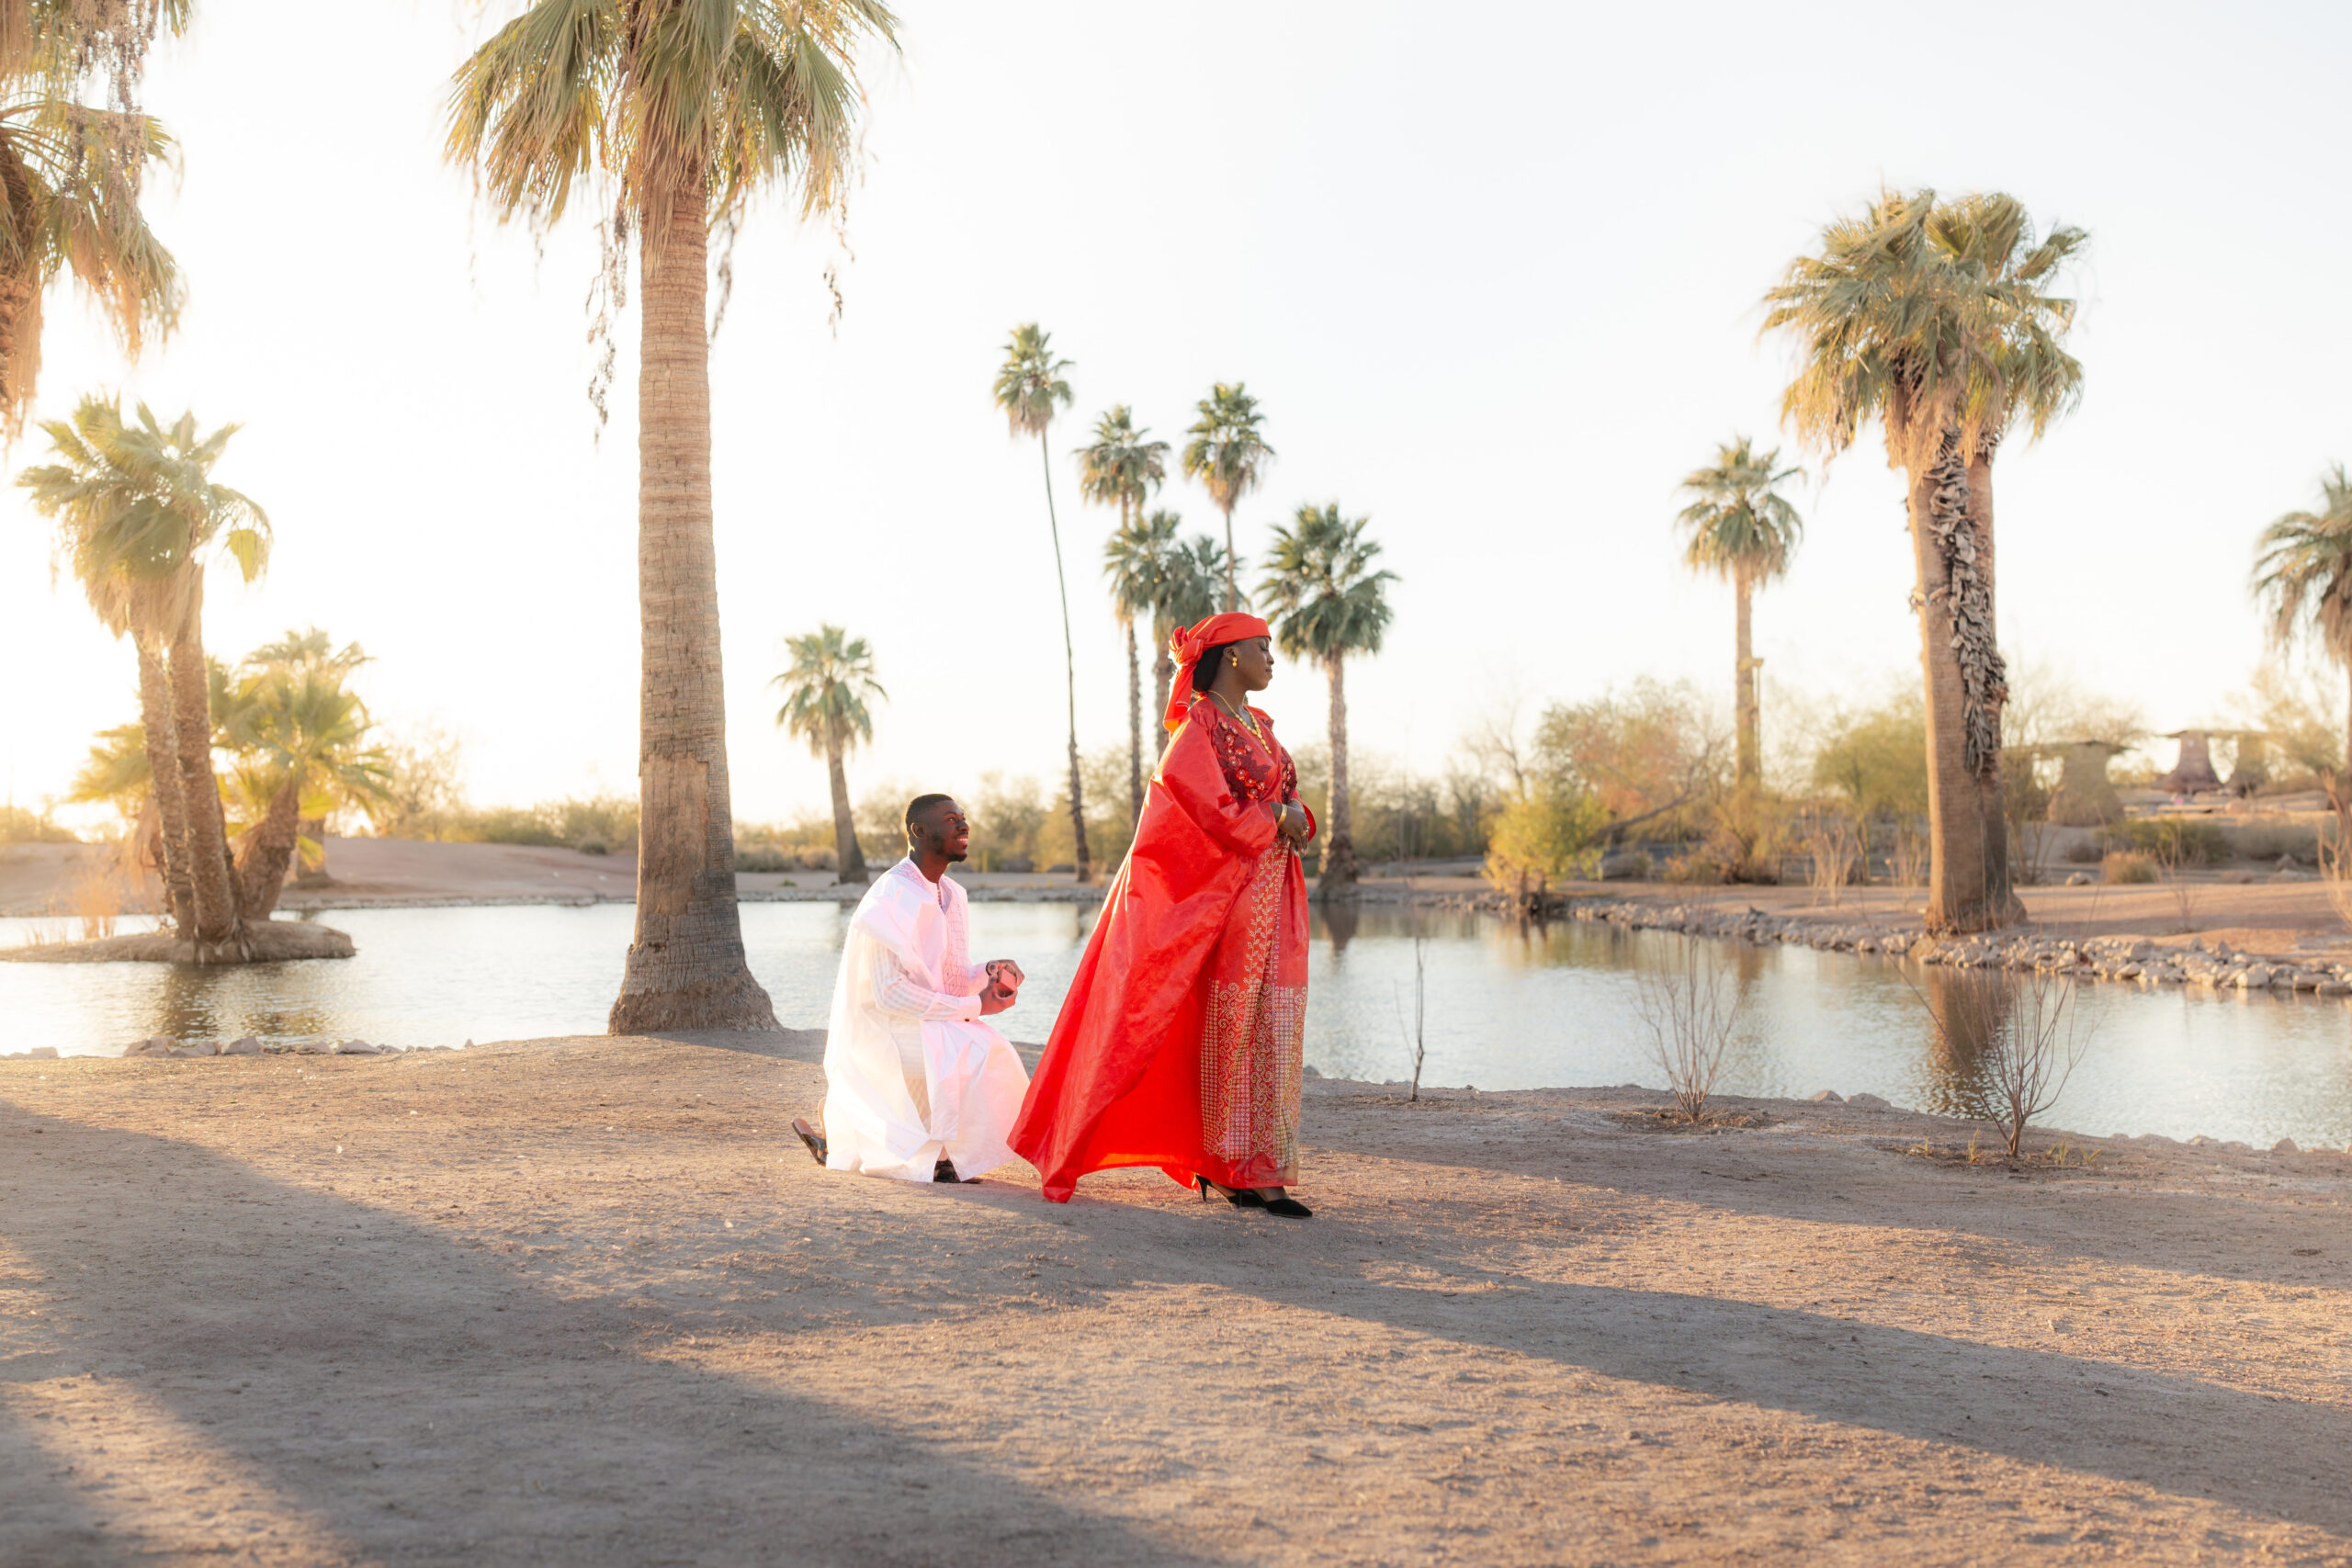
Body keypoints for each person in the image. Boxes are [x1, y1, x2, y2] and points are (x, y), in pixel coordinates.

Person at [1011, 614, 1317, 1216]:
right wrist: (1273, 819)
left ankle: (1261, 1167)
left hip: (1275, 890)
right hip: (1227, 895)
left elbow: (1288, 793)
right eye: (1262, 648)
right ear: (1231, 656)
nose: (1271, 659)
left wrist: (1296, 816)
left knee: (1272, 1024)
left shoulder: (1259, 725)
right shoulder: (1198, 727)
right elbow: (1196, 800)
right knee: (1230, 1024)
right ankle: (1228, 1168)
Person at [791, 795, 1031, 1184]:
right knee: (977, 1050)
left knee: (987, 1048)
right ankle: (916, 1150)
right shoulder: (891, 895)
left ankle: (942, 1153)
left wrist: (988, 972)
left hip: (923, 1020)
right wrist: (974, 1005)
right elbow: (890, 994)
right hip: (885, 1026)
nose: (964, 826)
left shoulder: (953, 895)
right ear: (919, 831)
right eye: (952, 820)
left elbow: (945, 975)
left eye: (963, 818)